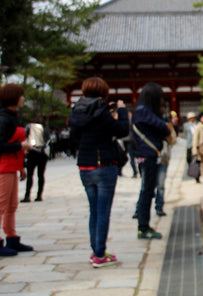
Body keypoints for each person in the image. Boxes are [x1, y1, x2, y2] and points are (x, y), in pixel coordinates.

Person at [69, 77, 129, 268]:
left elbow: (74, 137)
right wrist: (121, 110)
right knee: (103, 211)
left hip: (84, 165)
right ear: (103, 91)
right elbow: (122, 130)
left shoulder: (77, 110)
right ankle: (100, 255)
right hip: (103, 164)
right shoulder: (101, 112)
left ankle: (96, 250)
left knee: (94, 210)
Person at [0, 83, 34, 257]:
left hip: (12, 165)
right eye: (21, 95)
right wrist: (20, 145)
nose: (23, 98)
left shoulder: (12, 116)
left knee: (12, 205)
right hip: (2, 166)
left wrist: (20, 167)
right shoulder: (1, 118)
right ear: (13, 97)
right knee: (0, 205)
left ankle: (11, 236)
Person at [132, 82, 171, 239]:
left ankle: (144, 225)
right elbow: (164, 128)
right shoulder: (144, 112)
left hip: (148, 154)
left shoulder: (141, 111)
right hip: (147, 155)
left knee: (148, 190)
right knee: (147, 191)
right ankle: (143, 227)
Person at [22, 119, 50, 202]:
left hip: (31, 151)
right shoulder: (44, 129)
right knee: (40, 175)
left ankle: (27, 195)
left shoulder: (28, 126)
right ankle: (39, 195)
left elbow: (24, 136)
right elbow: (48, 140)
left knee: (30, 174)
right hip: (42, 153)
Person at [183, 112, 198, 181]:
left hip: (197, 144)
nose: (192, 119)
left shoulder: (197, 124)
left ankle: (196, 173)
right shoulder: (186, 125)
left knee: (196, 158)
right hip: (189, 143)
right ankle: (190, 168)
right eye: (190, 118)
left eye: (193, 118)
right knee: (188, 157)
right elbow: (185, 133)